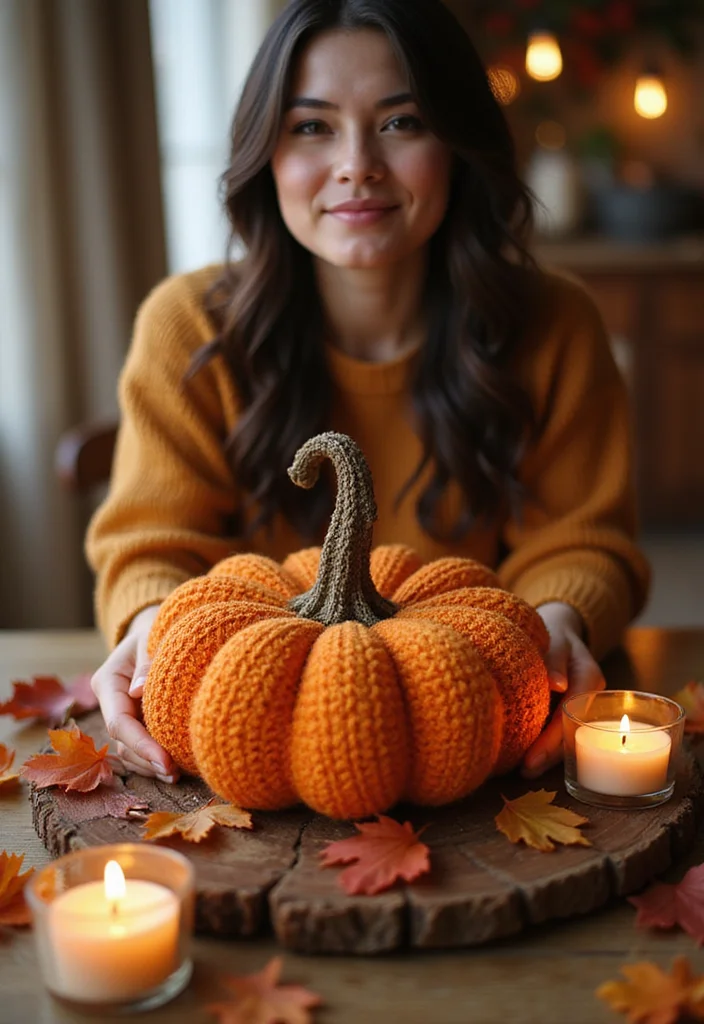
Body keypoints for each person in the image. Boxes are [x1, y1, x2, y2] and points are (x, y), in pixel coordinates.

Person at [87, 0, 651, 788]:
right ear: (266, 154)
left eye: (402, 122)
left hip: (478, 725)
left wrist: (556, 625)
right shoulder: (187, 327)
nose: (357, 164)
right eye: (312, 127)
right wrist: (154, 629)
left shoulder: (555, 322)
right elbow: (155, 543)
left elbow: (582, 539)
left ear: (457, 144)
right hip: (250, 730)